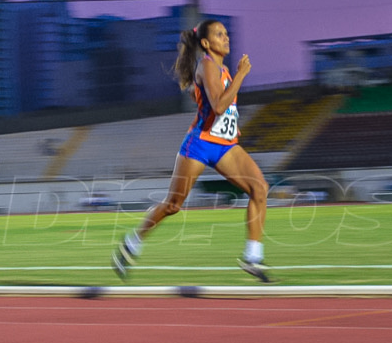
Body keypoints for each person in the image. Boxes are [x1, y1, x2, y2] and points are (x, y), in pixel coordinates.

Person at [112, 19, 272, 282]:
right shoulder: (207, 65)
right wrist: (242, 74)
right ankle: (132, 242)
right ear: (207, 44)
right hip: (199, 144)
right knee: (174, 205)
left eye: (226, 33)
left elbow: (215, 103)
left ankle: (253, 257)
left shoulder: (220, 70)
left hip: (225, 145)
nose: (226, 38)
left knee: (259, 189)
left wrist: (204, 95)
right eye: (220, 35)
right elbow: (220, 106)